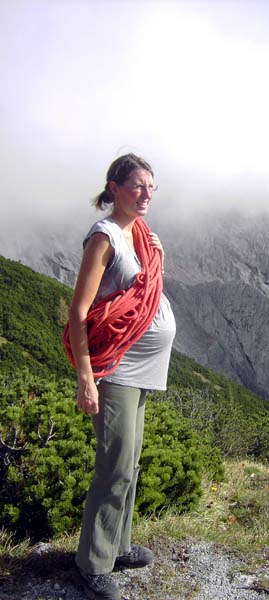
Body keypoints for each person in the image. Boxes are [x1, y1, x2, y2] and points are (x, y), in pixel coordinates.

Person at [64, 153, 176, 600]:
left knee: (129, 463)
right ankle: (92, 563)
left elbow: (145, 288)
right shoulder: (104, 237)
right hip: (116, 369)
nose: (146, 194)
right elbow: (78, 311)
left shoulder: (141, 234)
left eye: (151, 186)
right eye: (137, 186)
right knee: (113, 466)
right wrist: (86, 379)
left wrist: (158, 257)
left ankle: (119, 545)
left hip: (144, 367)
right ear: (114, 187)